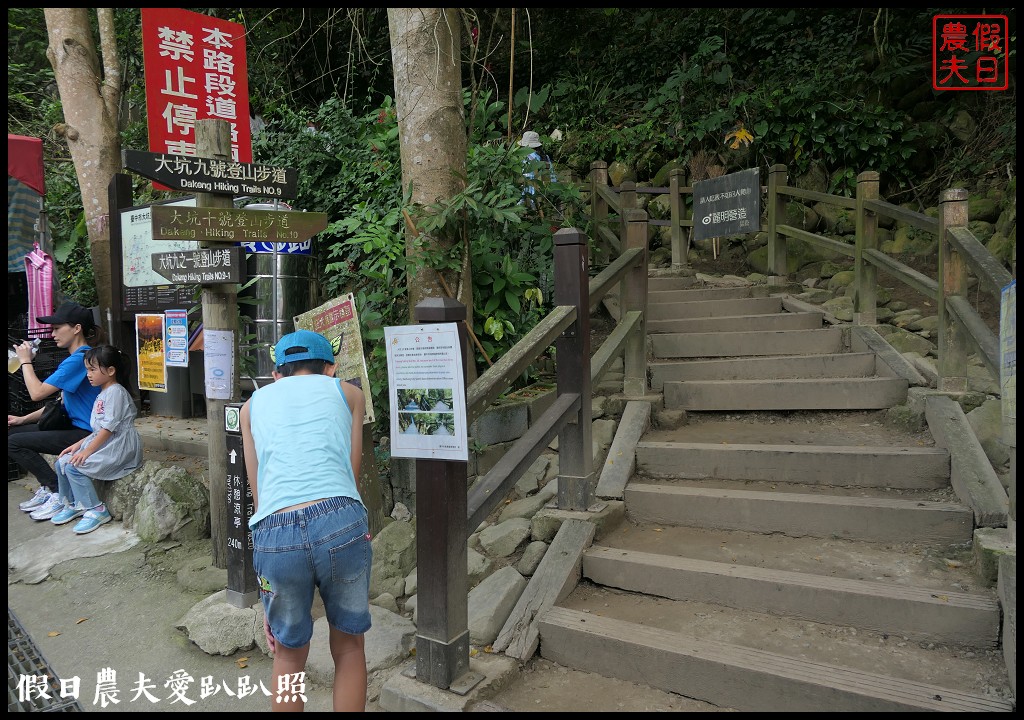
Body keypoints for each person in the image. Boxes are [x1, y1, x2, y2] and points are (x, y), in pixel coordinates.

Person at [240, 329, 370, 712]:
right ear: (330, 368)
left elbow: (258, 490)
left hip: (275, 532)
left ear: (277, 374)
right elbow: (352, 474)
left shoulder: (252, 406)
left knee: (288, 655)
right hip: (340, 518)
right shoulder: (348, 393)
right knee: (348, 647)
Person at [9, 301, 103, 518]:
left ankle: (58, 492)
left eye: (57, 328)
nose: (52, 334)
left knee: (13, 442)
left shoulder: (80, 359)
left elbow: (37, 393)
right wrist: (22, 420)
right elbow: (59, 404)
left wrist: (25, 362)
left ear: (76, 328)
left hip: (86, 434)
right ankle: (49, 488)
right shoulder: (78, 358)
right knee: (13, 434)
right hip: (73, 427)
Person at [45, 345, 142, 532]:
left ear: (111, 371)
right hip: (106, 442)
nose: (88, 374)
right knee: (62, 463)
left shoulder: (116, 392)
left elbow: (109, 428)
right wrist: (78, 445)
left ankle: (96, 509)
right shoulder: (103, 392)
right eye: (87, 369)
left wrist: (88, 451)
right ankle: (72, 503)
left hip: (119, 448)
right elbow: (99, 430)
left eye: (92, 369)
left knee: (74, 467)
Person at [518, 130, 557, 207]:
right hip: (545, 191)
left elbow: (524, 178)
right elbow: (553, 177)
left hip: (529, 193)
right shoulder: (546, 157)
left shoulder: (526, 157)